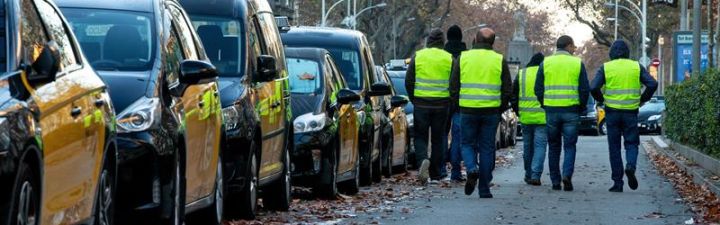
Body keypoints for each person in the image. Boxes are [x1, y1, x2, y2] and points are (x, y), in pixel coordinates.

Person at [449, 28, 512, 198]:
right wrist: (500, 108)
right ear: (492, 42)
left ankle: (471, 168)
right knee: (487, 148)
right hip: (491, 111)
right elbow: (507, 89)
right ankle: (484, 189)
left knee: (467, 144)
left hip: (468, 110)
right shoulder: (499, 59)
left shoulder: (464, 57)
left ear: (475, 40)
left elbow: (453, 86)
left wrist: (458, 105)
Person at [590, 40, 658, 192]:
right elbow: (653, 84)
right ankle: (631, 166)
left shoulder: (606, 67)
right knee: (631, 143)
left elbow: (593, 87)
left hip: (612, 113)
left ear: (612, 53)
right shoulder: (636, 66)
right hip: (630, 112)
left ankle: (617, 183)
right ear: (627, 52)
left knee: (614, 147)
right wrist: (643, 99)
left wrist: (602, 100)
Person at [534, 35, 590, 191]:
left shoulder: (546, 63)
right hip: (571, 110)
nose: (574, 49)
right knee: (570, 146)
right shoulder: (577, 63)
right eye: (573, 47)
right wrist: (581, 106)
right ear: (568, 46)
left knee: (553, 146)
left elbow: (538, 88)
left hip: (552, 110)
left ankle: (555, 181)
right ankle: (567, 174)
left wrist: (544, 103)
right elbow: (584, 88)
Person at [405, 29, 454, 185]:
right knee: (439, 139)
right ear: (443, 42)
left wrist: (414, 98)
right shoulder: (449, 58)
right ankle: (434, 172)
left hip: (421, 103)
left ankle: (422, 161)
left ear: (428, 41)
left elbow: (409, 80)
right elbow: (454, 83)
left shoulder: (418, 56)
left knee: (420, 136)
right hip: (442, 104)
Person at [511, 53, 547, 186]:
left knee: (528, 146)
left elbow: (513, 95)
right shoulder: (545, 72)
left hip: (525, 117)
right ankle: (536, 174)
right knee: (540, 146)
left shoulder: (522, 73)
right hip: (542, 117)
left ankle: (528, 173)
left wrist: (518, 111)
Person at [444, 25, 468, 182]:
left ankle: (439, 169)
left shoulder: (443, 55)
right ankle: (456, 171)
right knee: (459, 138)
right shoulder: (465, 56)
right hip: (460, 102)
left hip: (442, 101)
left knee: (441, 136)